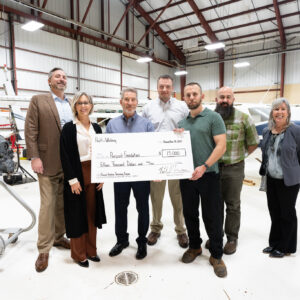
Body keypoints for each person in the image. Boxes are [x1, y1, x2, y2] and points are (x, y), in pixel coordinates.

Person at [25, 67, 73, 272]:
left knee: (62, 203)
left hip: (68, 162)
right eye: (57, 76)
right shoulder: (38, 100)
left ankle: (59, 237)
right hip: (46, 160)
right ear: (49, 81)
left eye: (64, 76)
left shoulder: (70, 103)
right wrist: (34, 156)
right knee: (48, 204)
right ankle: (44, 248)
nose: (61, 79)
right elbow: (30, 129)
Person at [178, 82, 227, 278]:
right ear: (184, 98)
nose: (191, 97)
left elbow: (221, 146)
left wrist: (204, 166)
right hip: (187, 177)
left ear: (202, 96)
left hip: (209, 176)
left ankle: (216, 255)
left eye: (194, 94)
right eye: (188, 94)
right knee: (190, 214)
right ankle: (195, 246)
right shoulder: (182, 123)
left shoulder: (214, 118)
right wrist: (175, 139)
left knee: (212, 216)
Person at [206, 87, 259, 254]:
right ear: (216, 99)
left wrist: (240, 156)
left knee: (233, 205)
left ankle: (231, 238)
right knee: (214, 205)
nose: (225, 100)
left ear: (233, 99)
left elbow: (253, 142)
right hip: (213, 169)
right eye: (221, 97)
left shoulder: (244, 118)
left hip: (234, 169)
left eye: (228, 97)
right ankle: (216, 236)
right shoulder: (210, 119)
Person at [142, 74, 189, 248]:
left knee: (177, 196)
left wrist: (184, 130)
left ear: (172, 88)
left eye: (167, 86)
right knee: (156, 196)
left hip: (176, 159)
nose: (164, 89)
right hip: (156, 160)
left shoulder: (182, 107)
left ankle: (181, 230)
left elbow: (189, 125)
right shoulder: (148, 108)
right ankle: (155, 228)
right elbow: (142, 130)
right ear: (157, 87)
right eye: (161, 86)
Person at [60, 92, 106, 267]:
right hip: (77, 174)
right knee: (77, 214)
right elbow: (64, 155)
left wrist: (102, 175)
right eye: (79, 103)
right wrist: (72, 179)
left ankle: (91, 251)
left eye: (86, 102)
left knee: (92, 214)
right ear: (75, 106)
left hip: (95, 172)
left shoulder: (97, 128)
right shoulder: (69, 128)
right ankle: (79, 254)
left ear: (91, 105)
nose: (83, 105)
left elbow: (104, 154)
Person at [107, 88, 154, 260]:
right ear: (121, 102)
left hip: (141, 176)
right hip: (120, 176)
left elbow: (153, 149)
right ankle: (121, 240)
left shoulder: (146, 124)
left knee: (143, 208)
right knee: (120, 208)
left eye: (133, 99)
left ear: (137, 102)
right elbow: (106, 149)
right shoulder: (112, 125)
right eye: (126, 99)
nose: (129, 102)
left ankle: (142, 241)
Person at [259, 98, 300, 258]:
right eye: (276, 109)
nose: (279, 112)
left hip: (288, 180)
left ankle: (286, 247)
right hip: (271, 178)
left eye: (283, 109)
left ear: (288, 112)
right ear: (272, 113)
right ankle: (274, 243)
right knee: (274, 212)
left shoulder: (295, 131)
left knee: (287, 213)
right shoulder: (266, 131)